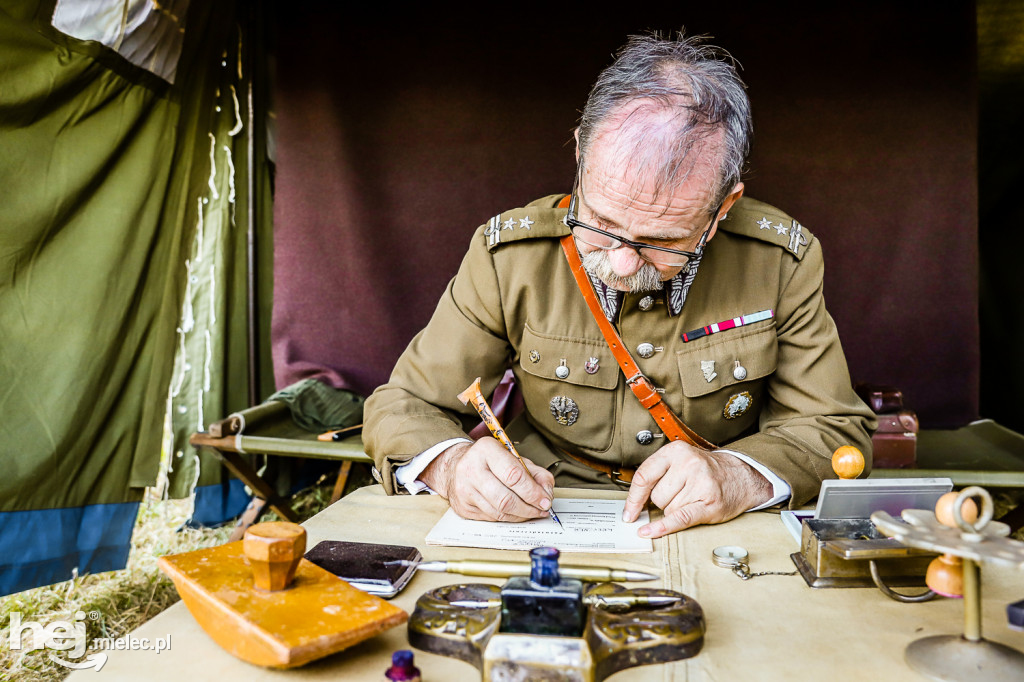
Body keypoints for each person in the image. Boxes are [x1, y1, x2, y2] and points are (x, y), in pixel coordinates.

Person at [363, 32, 875, 538]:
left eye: (662, 241)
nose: (625, 264)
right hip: (545, 512)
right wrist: (453, 467)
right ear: (581, 153)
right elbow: (403, 404)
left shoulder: (780, 261)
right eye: (601, 224)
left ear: (723, 208)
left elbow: (833, 430)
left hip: (713, 523)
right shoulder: (510, 257)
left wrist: (739, 476)